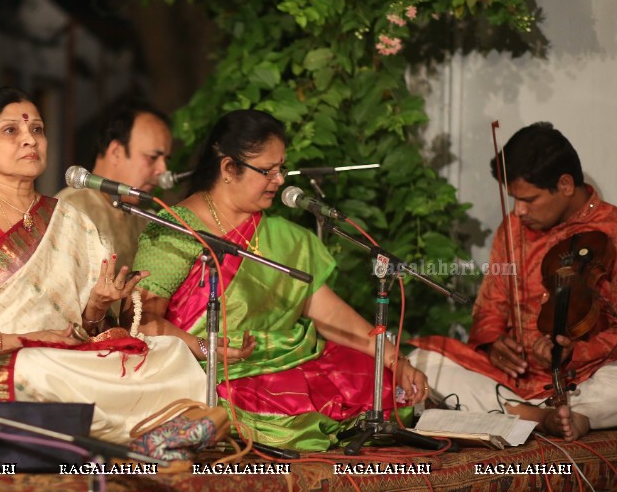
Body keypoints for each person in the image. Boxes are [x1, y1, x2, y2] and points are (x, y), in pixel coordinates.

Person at [0, 86, 205, 444]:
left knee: (169, 354)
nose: (29, 140)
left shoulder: (66, 218)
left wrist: (97, 305)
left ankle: (164, 431)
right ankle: (154, 431)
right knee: (39, 367)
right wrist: (17, 341)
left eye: (37, 129)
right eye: (11, 131)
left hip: (64, 357)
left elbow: (86, 327)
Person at [131, 110, 429, 451]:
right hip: (209, 372)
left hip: (278, 362)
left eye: (281, 168)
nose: (280, 180)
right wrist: (209, 348)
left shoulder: (286, 238)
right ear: (229, 169)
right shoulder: (175, 228)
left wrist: (394, 359)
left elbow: (328, 312)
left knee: (388, 388)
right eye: (267, 171)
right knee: (288, 426)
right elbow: (142, 321)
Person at [409, 122, 617, 441]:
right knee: (421, 361)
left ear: (565, 184)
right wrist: (493, 344)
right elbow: (489, 309)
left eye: (529, 199)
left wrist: (573, 354)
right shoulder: (512, 230)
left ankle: (560, 414)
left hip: (585, 379)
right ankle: (538, 417)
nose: (519, 211)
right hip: (511, 381)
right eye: (513, 199)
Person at [56, 99, 172, 272]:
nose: (163, 170)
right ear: (116, 152)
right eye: (153, 158)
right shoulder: (70, 210)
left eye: (165, 160)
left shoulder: (145, 219)